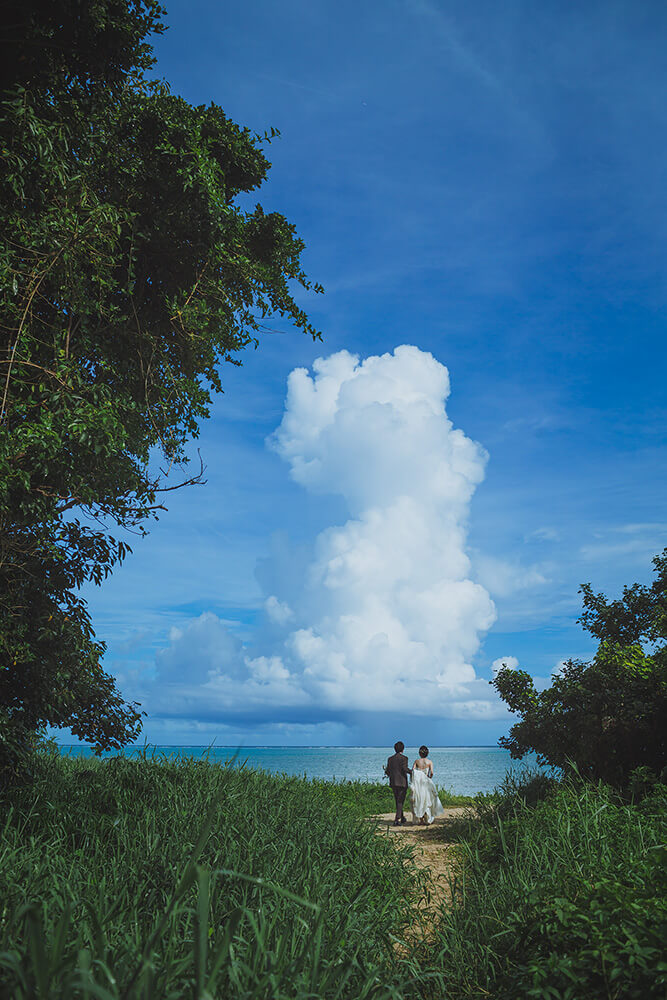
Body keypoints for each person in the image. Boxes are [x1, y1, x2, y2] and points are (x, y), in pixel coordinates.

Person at [411, 745, 445, 825]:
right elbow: (432, 772)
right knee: (427, 800)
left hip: (418, 784)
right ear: (427, 753)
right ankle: (427, 819)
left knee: (419, 800)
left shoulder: (416, 761)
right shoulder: (429, 762)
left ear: (420, 753)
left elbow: (413, 771)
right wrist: (429, 777)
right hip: (426, 782)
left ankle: (421, 819)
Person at [383, 741, 412, 826]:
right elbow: (404, 769)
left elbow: (387, 771)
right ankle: (397, 819)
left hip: (393, 782)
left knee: (398, 800)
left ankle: (402, 817)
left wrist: (391, 775)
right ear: (403, 749)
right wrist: (413, 772)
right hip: (402, 782)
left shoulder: (390, 759)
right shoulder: (404, 758)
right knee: (400, 801)